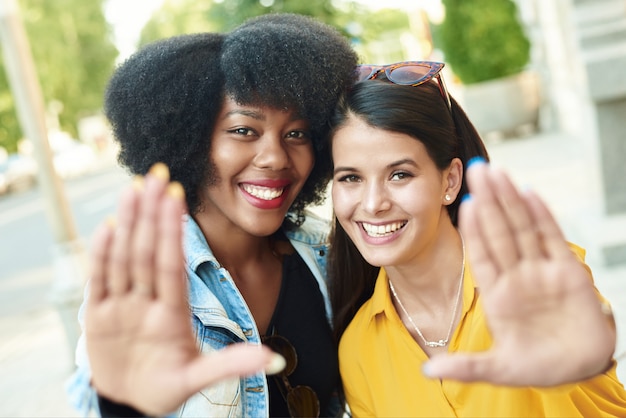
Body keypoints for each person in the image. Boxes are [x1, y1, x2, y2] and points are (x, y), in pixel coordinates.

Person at [66, 13, 358, 417]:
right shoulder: (148, 284)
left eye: (297, 134)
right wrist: (121, 406)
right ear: (191, 141)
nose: (275, 157)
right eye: (244, 131)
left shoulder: (327, 249)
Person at [328, 61, 626, 416]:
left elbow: (583, 333)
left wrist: (586, 352)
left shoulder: (530, 282)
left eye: (400, 174)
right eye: (350, 178)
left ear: (450, 181)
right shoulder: (358, 349)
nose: (373, 203)